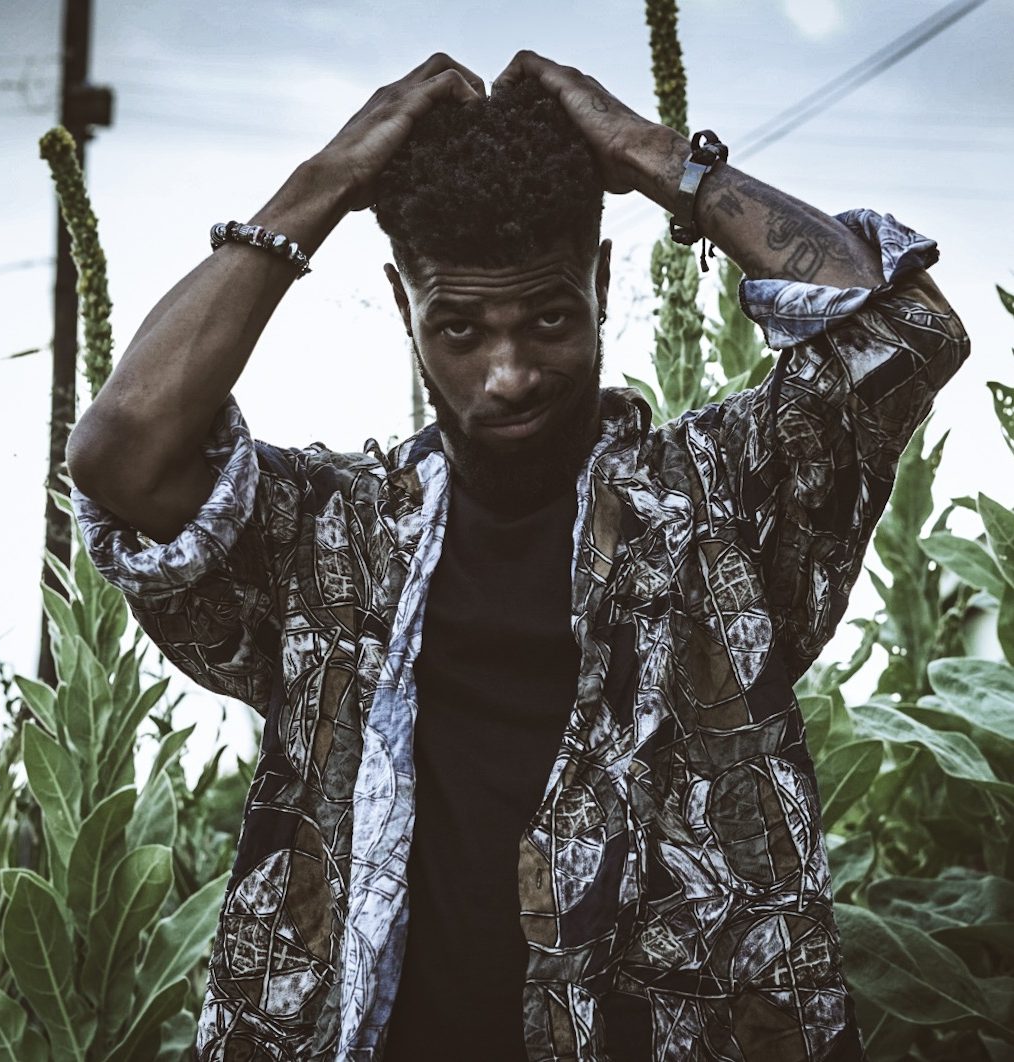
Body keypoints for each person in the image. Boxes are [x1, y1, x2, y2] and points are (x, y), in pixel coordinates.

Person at [67, 50, 969, 1062]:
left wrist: (655, 155)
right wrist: (324, 182)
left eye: (548, 318)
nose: (509, 375)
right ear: (405, 309)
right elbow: (122, 454)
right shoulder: (332, 539)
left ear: (602, 282)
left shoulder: (719, 502)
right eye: (459, 329)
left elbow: (904, 330)